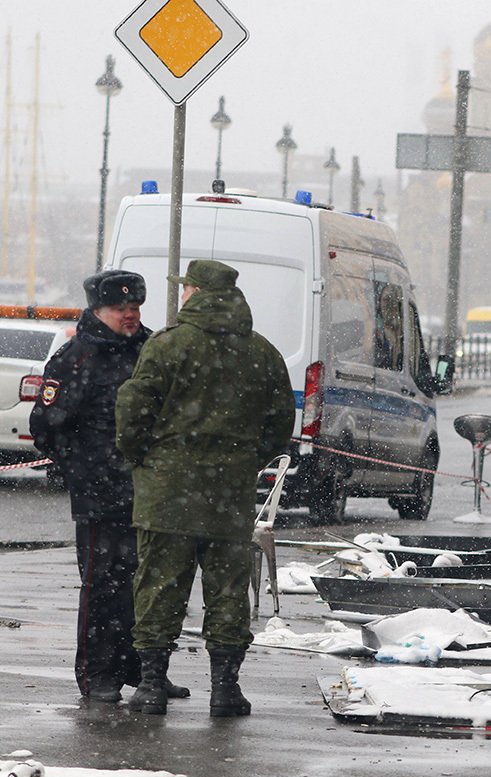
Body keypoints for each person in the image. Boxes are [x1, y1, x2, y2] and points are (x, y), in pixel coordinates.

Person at [116, 259, 294, 717]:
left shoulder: (167, 346)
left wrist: (141, 459)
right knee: (229, 591)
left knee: (158, 586)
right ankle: (225, 688)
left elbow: (134, 409)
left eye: (184, 289)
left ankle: (152, 684)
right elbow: (280, 424)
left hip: (166, 491)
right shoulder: (262, 352)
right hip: (228, 494)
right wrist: (245, 462)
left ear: (193, 292)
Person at [29, 270, 188, 704]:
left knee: (149, 585)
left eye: (134, 307)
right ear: (98, 310)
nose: (130, 315)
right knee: (103, 588)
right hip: (100, 493)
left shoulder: (153, 349)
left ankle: (145, 671)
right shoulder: (75, 357)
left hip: (150, 490)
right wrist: (81, 467)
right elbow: (46, 424)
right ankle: (98, 674)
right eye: (120, 309)